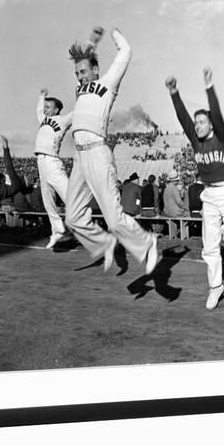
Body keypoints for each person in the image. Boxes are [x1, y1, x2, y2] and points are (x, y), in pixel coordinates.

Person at [65, 27, 157, 274]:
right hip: (79, 158)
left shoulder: (108, 84)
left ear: (96, 70)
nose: (80, 77)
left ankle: (147, 242)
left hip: (97, 153)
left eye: (83, 72)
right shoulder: (80, 89)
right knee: (72, 217)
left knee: (114, 219)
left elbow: (125, 52)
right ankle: (104, 243)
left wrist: (115, 33)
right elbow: (84, 59)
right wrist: (89, 44)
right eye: (77, 73)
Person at [165, 68, 224, 315]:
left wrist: (209, 87)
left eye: (201, 121)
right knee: (210, 247)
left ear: (210, 124)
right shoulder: (195, 140)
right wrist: (174, 92)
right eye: (196, 122)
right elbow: (182, 118)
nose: (196, 125)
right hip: (209, 195)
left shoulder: (221, 137)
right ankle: (216, 287)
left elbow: (216, 113)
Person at [35, 89, 73, 248]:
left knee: (70, 197)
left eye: (48, 107)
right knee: (48, 200)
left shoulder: (63, 120)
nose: (45, 109)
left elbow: (78, 109)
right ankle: (57, 229)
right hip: (41, 162)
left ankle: (92, 227)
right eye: (45, 107)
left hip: (52, 161)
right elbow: (38, 109)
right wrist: (42, 96)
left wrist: (81, 86)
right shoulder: (43, 119)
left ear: (56, 109)